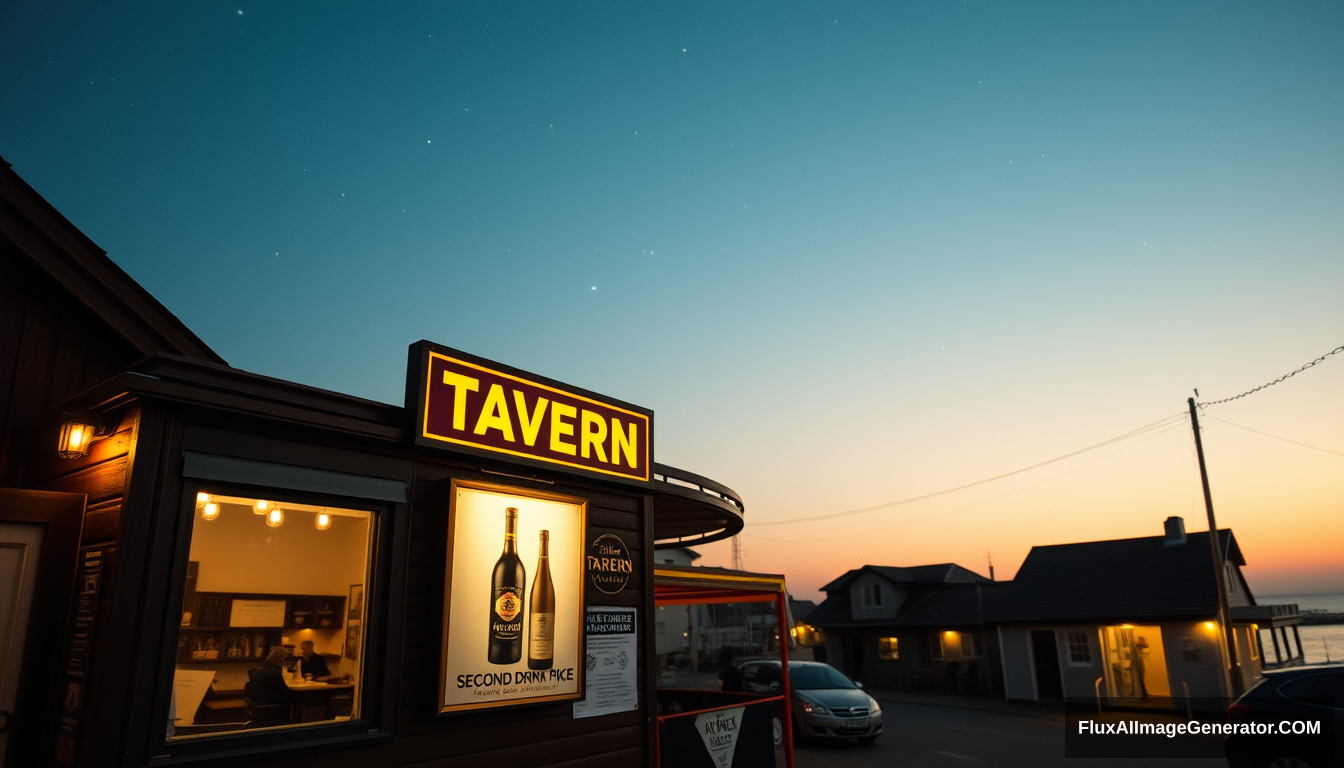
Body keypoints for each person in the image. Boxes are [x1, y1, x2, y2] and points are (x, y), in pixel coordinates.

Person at [245, 645, 298, 724]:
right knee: (299, 700)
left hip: (258, 709)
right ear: (281, 659)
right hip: (273, 709)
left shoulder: (257, 672)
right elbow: (284, 696)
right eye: (286, 659)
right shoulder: (275, 674)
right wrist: (298, 694)